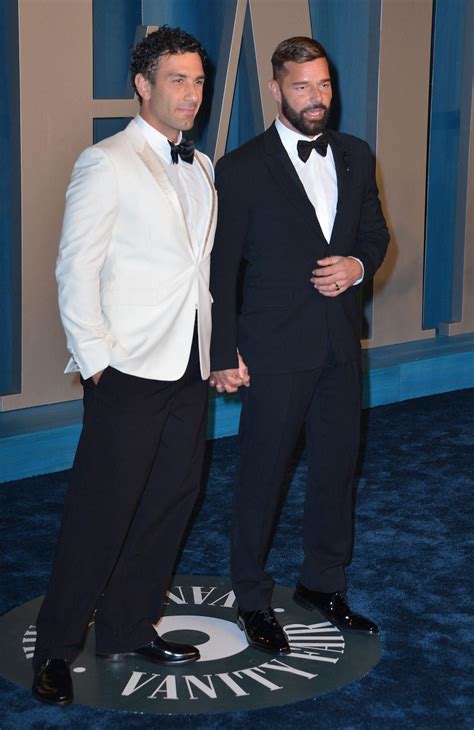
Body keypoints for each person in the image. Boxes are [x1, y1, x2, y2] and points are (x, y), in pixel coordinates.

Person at [32, 26, 217, 705]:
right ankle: (55, 650)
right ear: (143, 85)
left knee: (171, 502)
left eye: (198, 81)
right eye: (177, 79)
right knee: (99, 514)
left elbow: (198, 273)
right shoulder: (105, 161)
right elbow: (74, 267)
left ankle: (127, 628)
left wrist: (215, 350)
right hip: (126, 371)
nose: (191, 94)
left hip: (189, 365)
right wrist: (97, 363)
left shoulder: (203, 166)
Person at [209, 36, 389, 653]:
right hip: (273, 350)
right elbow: (221, 270)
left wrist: (358, 267)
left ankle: (322, 583)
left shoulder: (356, 154)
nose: (317, 98)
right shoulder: (239, 168)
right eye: (302, 86)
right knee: (262, 476)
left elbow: (375, 233)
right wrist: (222, 350)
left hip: (340, 345)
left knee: (338, 469)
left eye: (324, 85)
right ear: (275, 89)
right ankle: (251, 597)